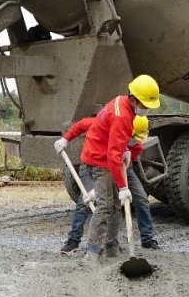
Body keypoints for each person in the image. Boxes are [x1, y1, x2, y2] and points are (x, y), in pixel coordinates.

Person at [78, 75, 161, 262]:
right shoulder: (123, 115)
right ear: (133, 98)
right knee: (105, 206)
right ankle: (91, 254)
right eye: (145, 104)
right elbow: (112, 155)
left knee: (115, 206)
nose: (146, 109)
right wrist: (123, 188)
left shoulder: (121, 101)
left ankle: (112, 248)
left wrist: (125, 149)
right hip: (99, 160)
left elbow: (115, 138)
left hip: (100, 155)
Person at [56, 115, 159, 254]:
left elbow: (124, 163)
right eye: (131, 136)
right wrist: (65, 139)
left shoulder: (136, 144)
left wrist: (127, 155)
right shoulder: (102, 127)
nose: (133, 140)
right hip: (93, 167)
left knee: (141, 198)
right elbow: (80, 125)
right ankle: (73, 240)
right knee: (84, 201)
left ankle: (147, 240)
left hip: (121, 167)